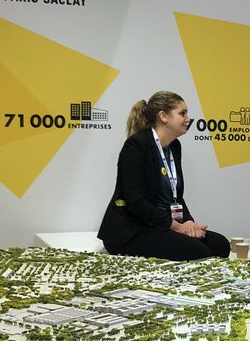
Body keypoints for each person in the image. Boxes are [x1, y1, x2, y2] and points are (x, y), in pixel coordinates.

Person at [98, 91, 230, 260]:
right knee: (199, 252)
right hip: (131, 230)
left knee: (220, 245)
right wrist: (177, 227)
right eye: (182, 113)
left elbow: (176, 196)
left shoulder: (174, 146)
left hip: (161, 224)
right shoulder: (136, 145)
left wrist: (189, 222)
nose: (188, 119)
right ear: (163, 116)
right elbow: (135, 202)